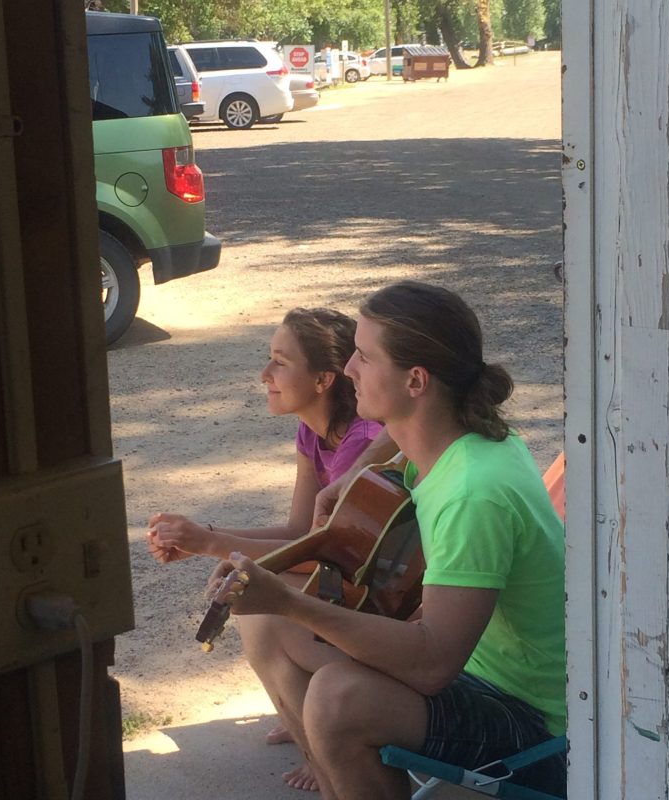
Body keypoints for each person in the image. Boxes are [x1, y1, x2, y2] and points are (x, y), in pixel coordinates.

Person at [208, 281, 567, 799]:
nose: (349, 369)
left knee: (338, 698)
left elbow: (431, 664)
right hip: (478, 670)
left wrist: (288, 598)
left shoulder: (473, 494)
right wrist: (351, 473)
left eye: (364, 357)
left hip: (536, 723)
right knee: (271, 626)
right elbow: (396, 432)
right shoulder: (461, 433)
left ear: (416, 380)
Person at [146, 306, 383, 787]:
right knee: (253, 601)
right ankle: (305, 722)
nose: (264, 374)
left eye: (280, 361)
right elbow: (301, 530)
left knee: (256, 611)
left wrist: (214, 544)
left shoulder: (361, 442)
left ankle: (324, 748)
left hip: (372, 600)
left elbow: (328, 556)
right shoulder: (312, 431)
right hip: (349, 583)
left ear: (322, 380)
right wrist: (203, 539)